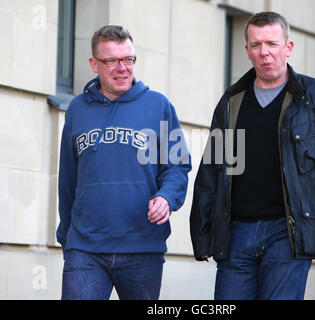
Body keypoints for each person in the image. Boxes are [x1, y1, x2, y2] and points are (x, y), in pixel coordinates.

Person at [190, 11, 315, 300]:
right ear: (247, 51)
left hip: (288, 234)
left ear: (287, 48)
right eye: (256, 45)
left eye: (271, 43)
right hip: (236, 233)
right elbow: (211, 171)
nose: (264, 52)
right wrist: (202, 234)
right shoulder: (231, 102)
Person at [57, 25, 191, 300]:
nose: (122, 68)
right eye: (112, 61)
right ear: (94, 64)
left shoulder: (159, 105)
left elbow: (177, 166)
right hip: (85, 248)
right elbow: (67, 180)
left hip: (142, 246)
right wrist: (66, 239)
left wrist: (166, 197)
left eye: (128, 59)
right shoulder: (77, 109)